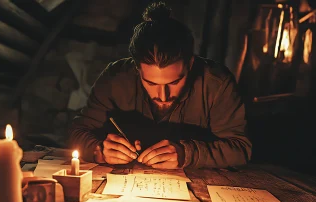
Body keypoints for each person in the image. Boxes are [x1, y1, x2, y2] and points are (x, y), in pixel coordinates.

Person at [69, 1, 251, 169]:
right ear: (137, 68)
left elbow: (240, 149)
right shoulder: (115, 78)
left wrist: (187, 154)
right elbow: (76, 132)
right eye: (150, 83)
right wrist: (98, 150)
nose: (163, 96)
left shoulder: (216, 84)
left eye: (175, 82)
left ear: (190, 64)